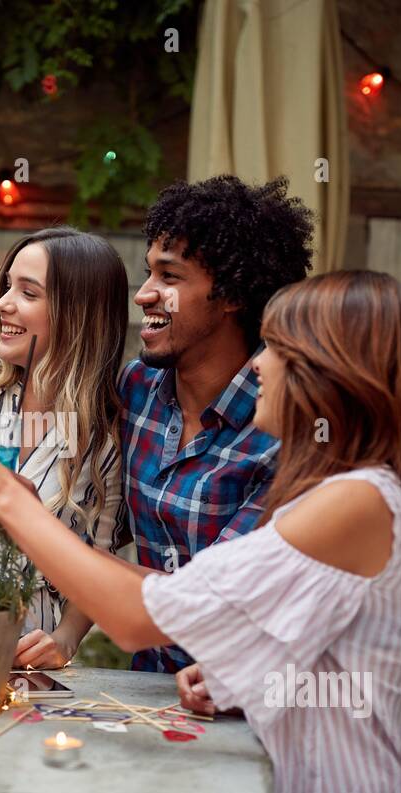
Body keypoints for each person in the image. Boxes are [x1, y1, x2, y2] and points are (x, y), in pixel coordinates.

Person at [0, 271, 401, 793]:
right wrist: (245, 681)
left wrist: (9, 502)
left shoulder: (356, 501)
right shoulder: (356, 495)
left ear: (335, 376)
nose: (258, 367)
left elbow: (141, 615)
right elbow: (239, 617)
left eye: (278, 350)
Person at [117, 175, 314, 673]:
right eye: (148, 274)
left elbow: (204, 605)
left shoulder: (281, 430)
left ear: (231, 294)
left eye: (170, 277)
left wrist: (18, 510)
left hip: (238, 706)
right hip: (146, 693)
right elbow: (98, 516)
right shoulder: (137, 387)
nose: (143, 294)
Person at [0, 227, 126, 668]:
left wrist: (65, 640)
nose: (2, 303)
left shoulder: (103, 437)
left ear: (76, 314)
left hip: (22, 661)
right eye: (7, 286)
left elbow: (100, 562)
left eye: (28, 292)